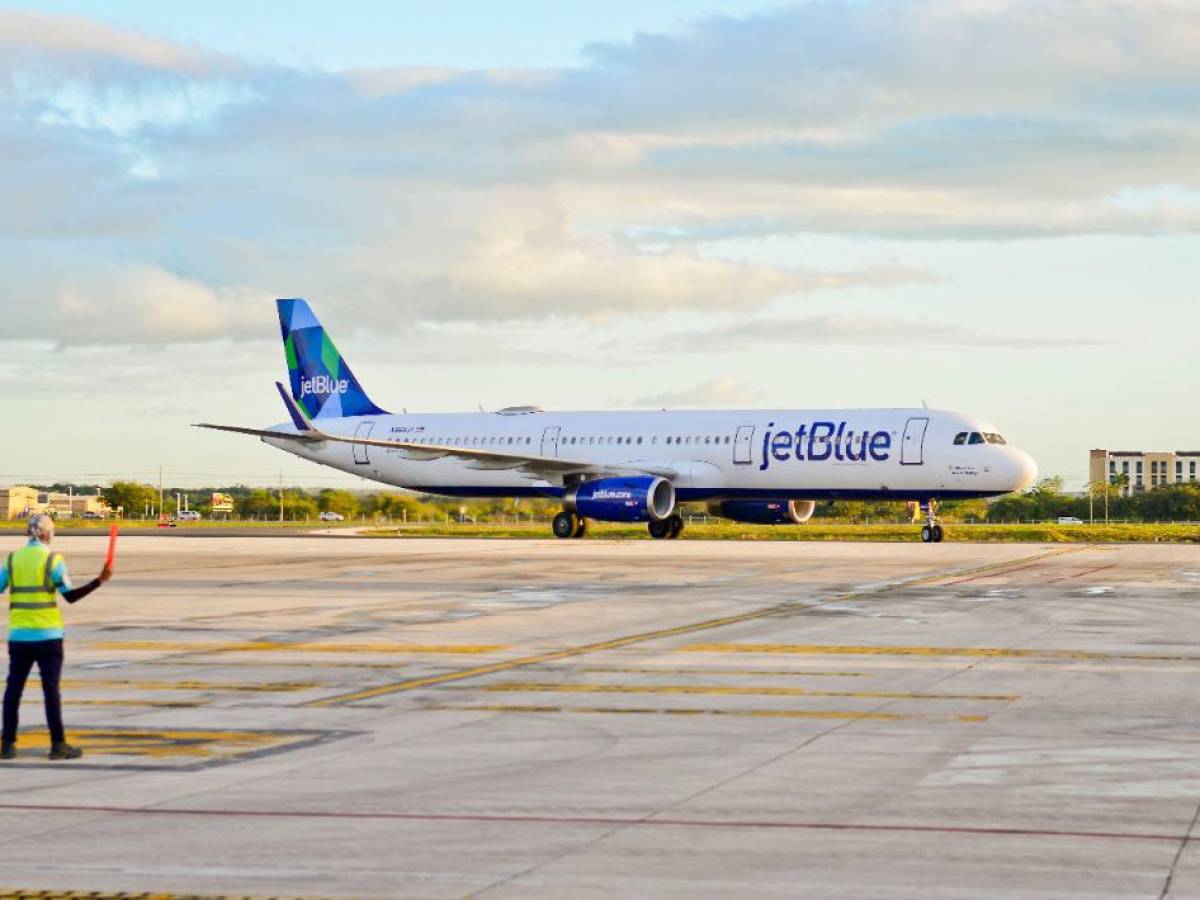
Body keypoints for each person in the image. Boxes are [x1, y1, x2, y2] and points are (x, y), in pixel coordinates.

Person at [1, 514, 112, 760]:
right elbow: (70, 596)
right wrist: (99, 581)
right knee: (50, 690)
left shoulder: (12, 559)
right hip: (48, 637)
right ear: (47, 534)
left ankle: (7, 744)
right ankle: (57, 744)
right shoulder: (53, 560)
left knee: (13, 691)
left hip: (19, 636)